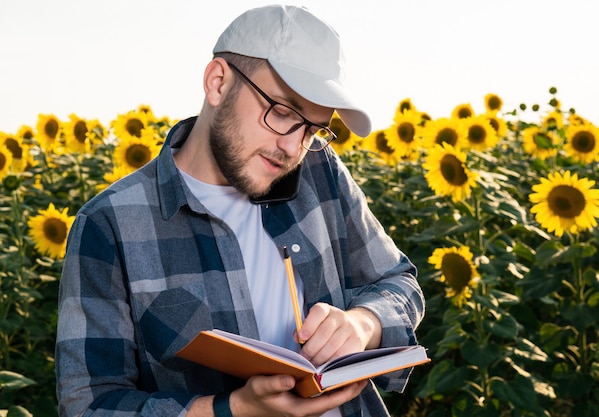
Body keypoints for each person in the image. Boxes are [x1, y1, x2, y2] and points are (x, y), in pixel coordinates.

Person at [55, 4, 425, 417]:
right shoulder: (111, 224)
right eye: (282, 113)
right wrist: (232, 409)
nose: (292, 147)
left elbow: (398, 282)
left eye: (313, 129)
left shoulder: (321, 173)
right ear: (217, 83)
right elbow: (88, 405)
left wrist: (362, 324)